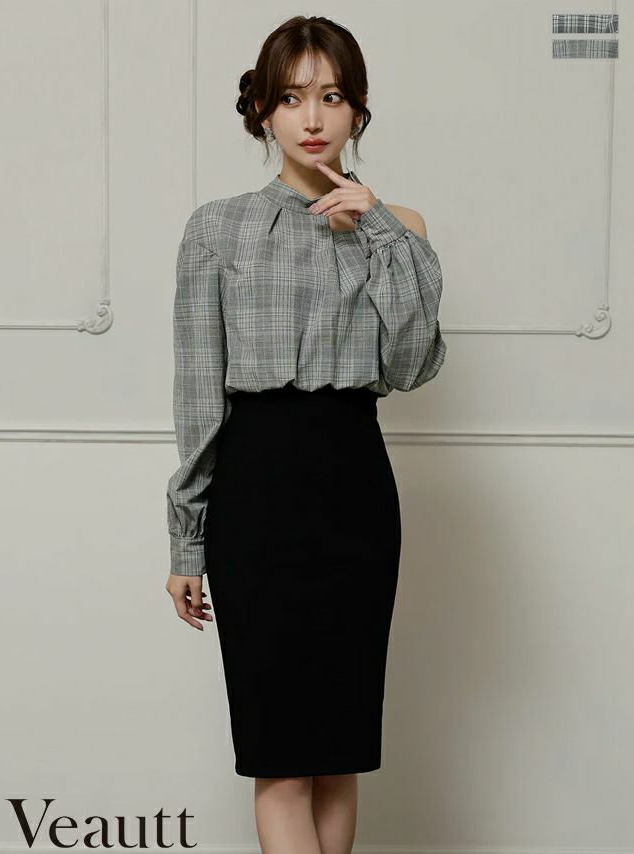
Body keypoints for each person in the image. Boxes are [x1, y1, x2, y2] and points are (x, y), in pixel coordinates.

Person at [165, 14, 447, 854]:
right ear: (262, 110)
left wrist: (380, 229)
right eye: (291, 98)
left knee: (337, 756)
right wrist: (187, 541)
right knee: (282, 762)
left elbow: (412, 365)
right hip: (254, 492)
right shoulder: (216, 229)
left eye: (331, 97)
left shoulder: (400, 227)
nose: (313, 118)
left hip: (354, 486)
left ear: (358, 109)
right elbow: (197, 391)